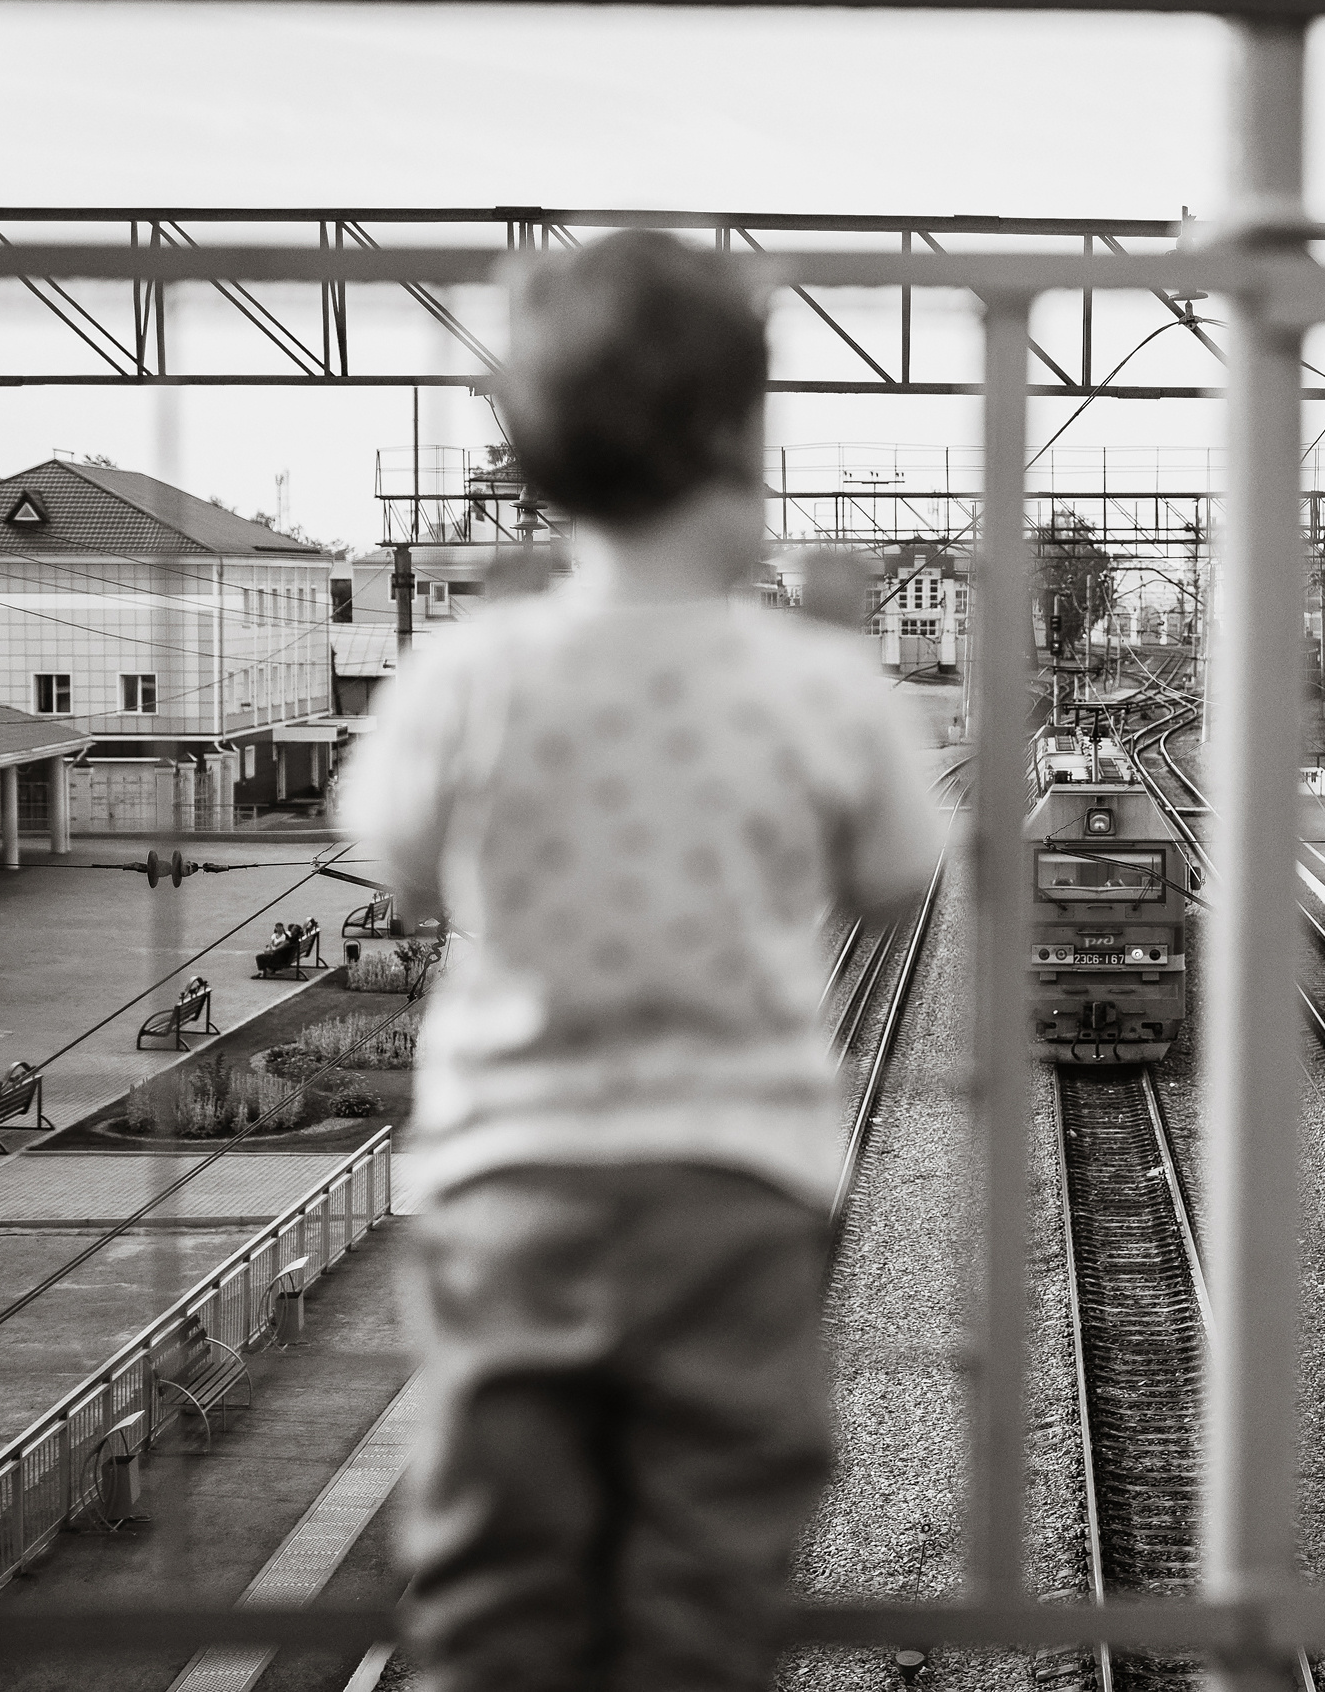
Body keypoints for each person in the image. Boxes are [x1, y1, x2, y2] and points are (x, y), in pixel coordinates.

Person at [340, 230, 940, 1692]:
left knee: (493, 1557)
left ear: (535, 455)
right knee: (706, 1562)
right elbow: (902, 869)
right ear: (742, 445)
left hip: (512, 1177)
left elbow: (395, 852)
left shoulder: (472, 669)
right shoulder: (816, 680)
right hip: (734, 1186)